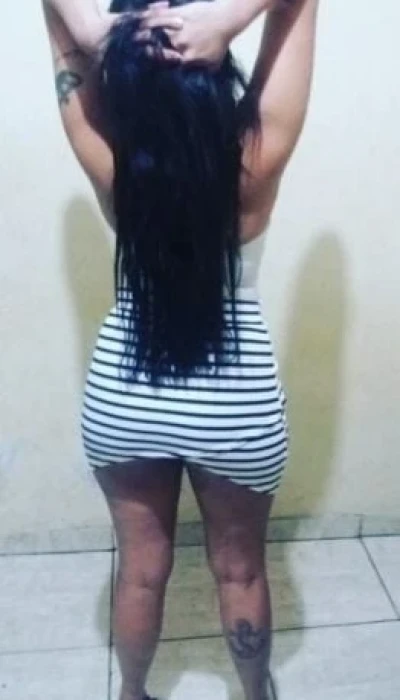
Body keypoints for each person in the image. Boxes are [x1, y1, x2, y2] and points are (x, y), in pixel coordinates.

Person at [42, 1, 319, 699]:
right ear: (213, 68)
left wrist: (92, 33)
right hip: (236, 400)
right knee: (240, 570)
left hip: (124, 394)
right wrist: (228, 19)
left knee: (140, 570)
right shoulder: (254, 162)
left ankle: (131, 694)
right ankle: (254, 694)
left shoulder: (114, 168)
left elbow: (60, 24)